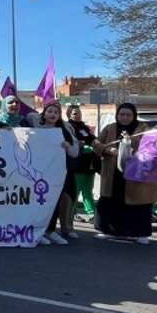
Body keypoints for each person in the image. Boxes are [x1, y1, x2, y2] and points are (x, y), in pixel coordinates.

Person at [93, 103, 156, 244]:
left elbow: (150, 146)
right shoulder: (110, 128)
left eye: (128, 115)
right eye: (122, 114)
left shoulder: (143, 129)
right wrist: (107, 150)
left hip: (135, 174)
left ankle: (140, 233)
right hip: (113, 173)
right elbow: (96, 143)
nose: (125, 117)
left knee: (138, 203)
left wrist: (130, 142)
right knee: (112, 202)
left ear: (134, 116)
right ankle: (109, 230)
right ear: (117, 115)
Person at [35, 102, 79, 245]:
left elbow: (74, 153)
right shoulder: (36, 130)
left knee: (55, 201)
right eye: (50, 111)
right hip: (41, 174)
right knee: (41, 203)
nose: (53, 114)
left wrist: (68, 147)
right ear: (44, 113)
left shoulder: (65, 131)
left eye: (56, 112)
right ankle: (39, 231)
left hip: (59, 174)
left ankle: (51, 231)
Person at [66, 105, 99, 218]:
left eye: (79, 113)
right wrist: (79, 145)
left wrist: (95, 143)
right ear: (69, 114)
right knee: (76, 189)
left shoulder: (84, 127)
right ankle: (72, 212)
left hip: (89, 163)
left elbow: (92, 139)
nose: (78, 115)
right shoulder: (67, 127)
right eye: (75, 113)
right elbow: (68, 143)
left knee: (88, 189)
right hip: (77, 163)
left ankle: (91, 212)